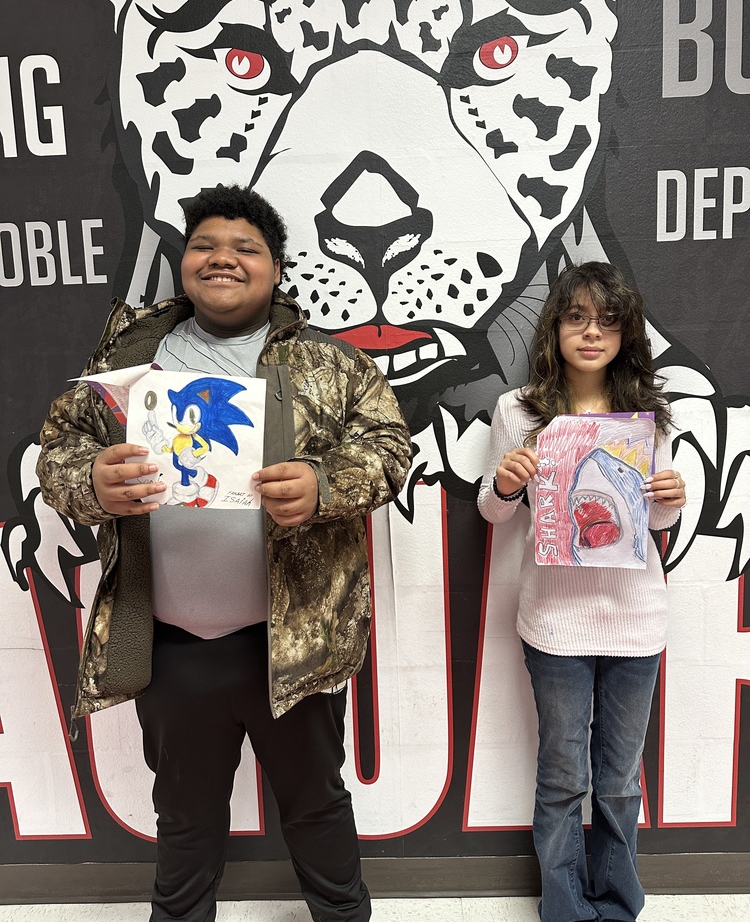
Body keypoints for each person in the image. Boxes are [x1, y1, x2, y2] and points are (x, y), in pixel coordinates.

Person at [36, 185, 413, 922]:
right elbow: (59, 449)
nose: (223, 259)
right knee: (184, 817)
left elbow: (391, 449)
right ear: (183, 262)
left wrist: (324, 482)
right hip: (175, 642)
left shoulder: (328, 363)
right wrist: (91, 480)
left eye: (247, 249)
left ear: (276, 270)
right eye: (206, 245)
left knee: (316, 807)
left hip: (294, 640)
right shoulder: (130, 355)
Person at [477, 262, 686, 922]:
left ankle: (618, 903)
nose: (591, 332)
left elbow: (653, 521)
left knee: (620, 779)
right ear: (555, 327)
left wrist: (671, 499)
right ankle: (564, 906)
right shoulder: (519, 410)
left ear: (626, 332)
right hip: (555, 623)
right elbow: (492, 510)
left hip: (636, 621)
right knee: (565, 775)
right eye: (576, 317)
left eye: (607, 319)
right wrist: (508, 482)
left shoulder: (646, 415)